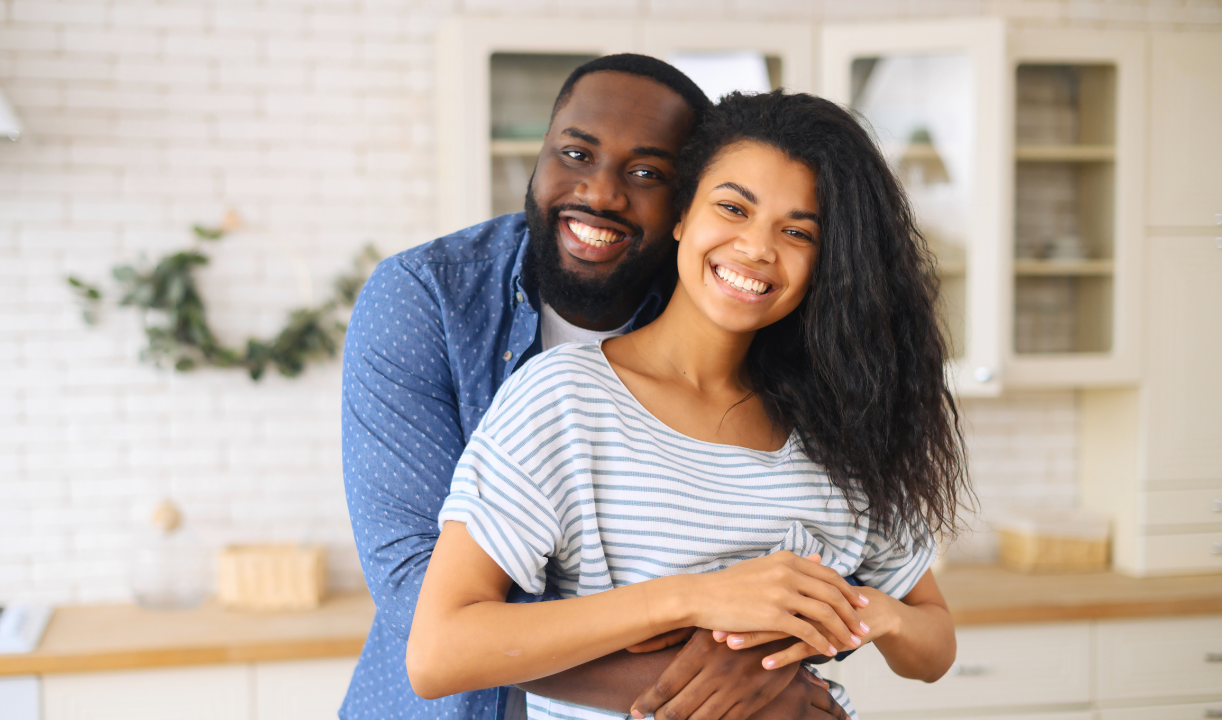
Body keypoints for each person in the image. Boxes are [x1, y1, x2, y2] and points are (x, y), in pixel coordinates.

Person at [406, 90, 972, 720]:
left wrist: (865, 613)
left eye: (796, 232)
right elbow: (438, 653)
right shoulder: (565, 400)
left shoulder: (839, 423)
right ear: (682, 215)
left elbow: (933, 647)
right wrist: (695, 598)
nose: (757, 248)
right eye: (732, 208)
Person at [341, 56, 850, 720]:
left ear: (685, 202)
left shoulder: (716, 302)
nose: (602, 193)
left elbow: (821, 552)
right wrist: (740, 687)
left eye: (646, 174)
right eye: (575, 153)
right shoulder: (424, 298)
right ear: (540, 156)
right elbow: (422, 600)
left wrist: (757, 655)